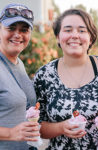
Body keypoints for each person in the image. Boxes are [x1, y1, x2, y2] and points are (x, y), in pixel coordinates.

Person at [33, 9, 98, 149]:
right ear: (57, 37)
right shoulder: (44, 75)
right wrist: (61, 127)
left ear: (91, 38)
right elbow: (37, 126)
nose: (75, 35)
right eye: (68, 30)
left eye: (82, 31)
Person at [0, 3, 39, 150]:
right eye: (11, 28)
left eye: (24, 30)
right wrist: (10, 133)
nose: (18, 35)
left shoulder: (19, 63)